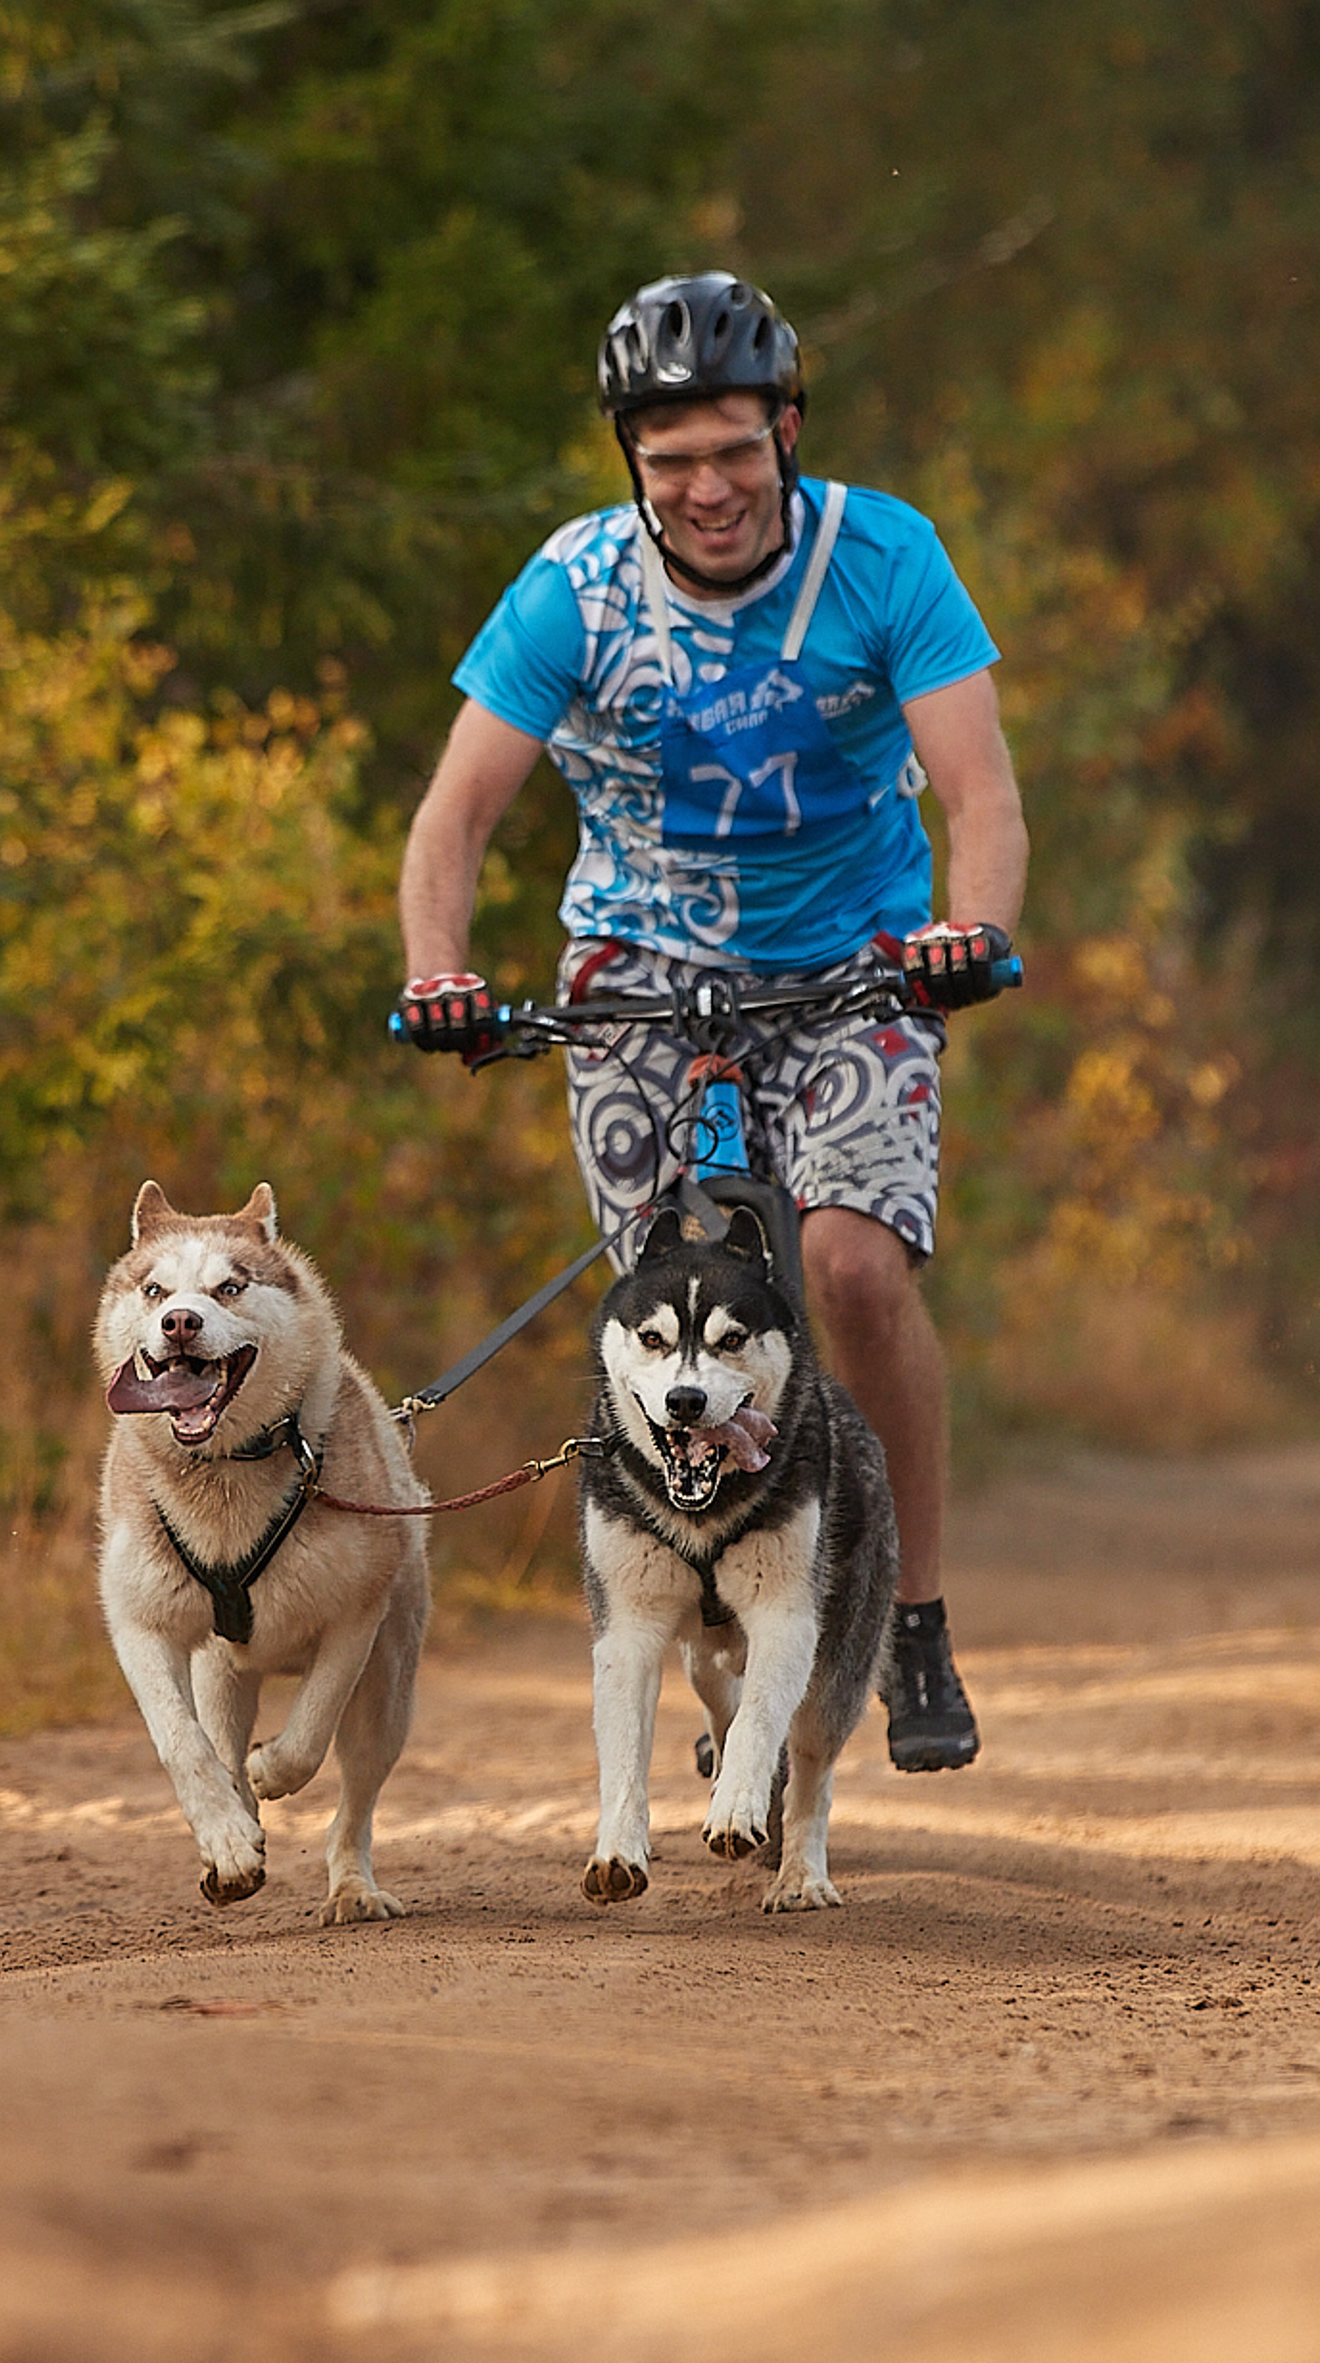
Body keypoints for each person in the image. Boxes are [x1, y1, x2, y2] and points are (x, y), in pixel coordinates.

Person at [395, 269, 1027, 1771]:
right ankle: (711, 1635)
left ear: (788, 430)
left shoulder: (884, 559)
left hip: (856, 972)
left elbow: (980, 792)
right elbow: (455, 814)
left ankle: (913, 1618)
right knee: (666, 1329)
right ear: (632, 461)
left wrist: (974, 933)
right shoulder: (577, 589)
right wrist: (439, 966)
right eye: (670, 459)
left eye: (734, 450)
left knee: (851, 1271)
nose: (706, 487)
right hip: (639, 985)